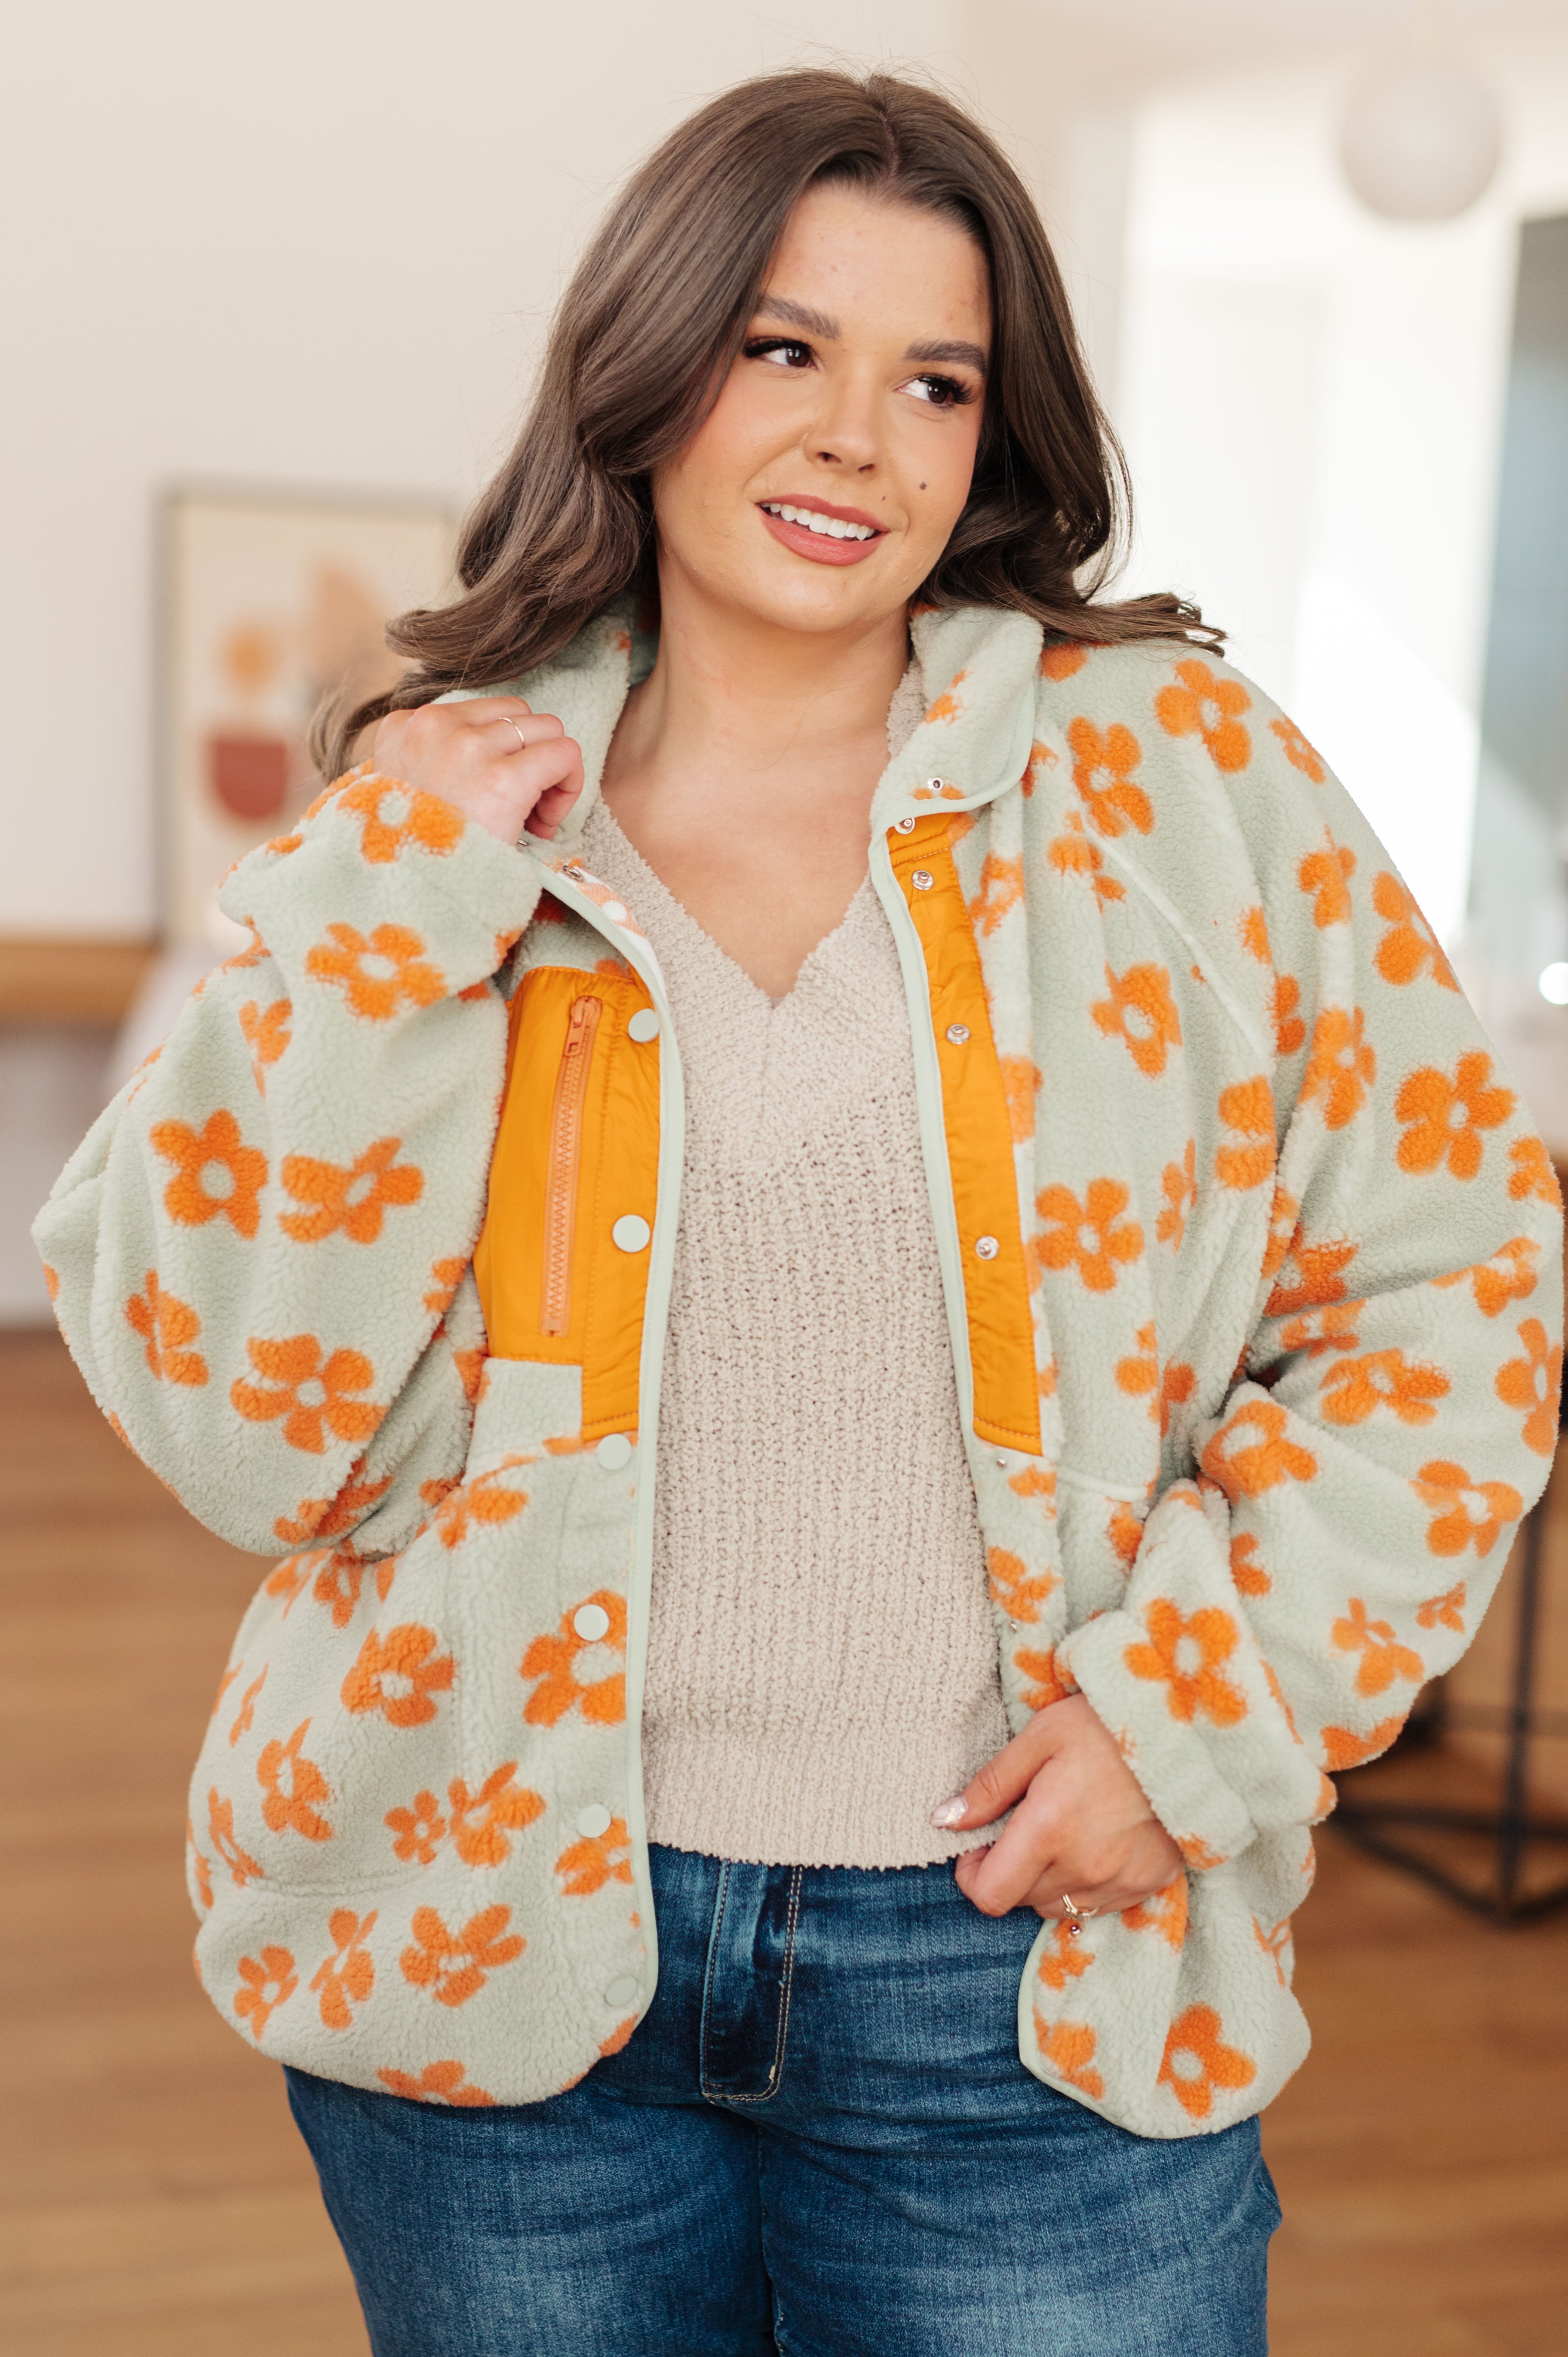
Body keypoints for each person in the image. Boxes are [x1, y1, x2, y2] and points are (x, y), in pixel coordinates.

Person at [36, 67, 1562, 2357]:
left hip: (1020, 1978)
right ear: (647, 368)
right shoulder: (431, 822)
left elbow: (1463, 1279)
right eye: (784, 348)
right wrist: (391, 923)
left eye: (933, 378)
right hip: (494, 1978)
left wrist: (1194, 1715)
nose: (861, 435)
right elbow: (234, 1419)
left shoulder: (1175, 782)